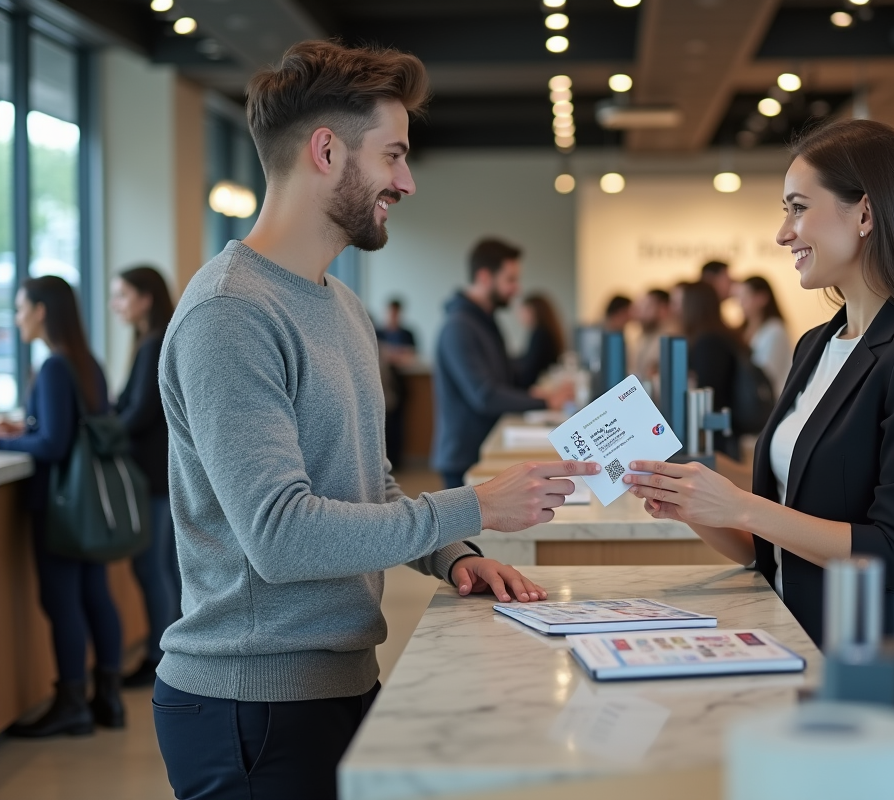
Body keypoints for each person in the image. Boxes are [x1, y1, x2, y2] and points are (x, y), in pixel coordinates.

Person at [151, 41, 597, 800]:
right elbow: (282, 535)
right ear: (326, 150)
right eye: (393, 155)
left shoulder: (341, 305)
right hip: (248, 708)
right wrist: (476, 505)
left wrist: (454, 553)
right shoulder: (230, 313)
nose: (407, 181)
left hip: (339, 683)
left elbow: (369, 483)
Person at [621, 119, 894, 647]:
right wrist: (693, 505)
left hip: (860, 655)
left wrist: (742, 505)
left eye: (798, 208)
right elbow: (768, 547)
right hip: (784, 632)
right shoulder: (816, 345)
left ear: (865, 213)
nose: (783, 233)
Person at [0, 276, 125, 737]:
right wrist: (24, 428)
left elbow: (53, 443)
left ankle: (72, 702)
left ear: (41, 311)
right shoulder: (86, 361)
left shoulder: (53, 367)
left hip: (61, 507)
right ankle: (108, 700)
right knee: (95, 595)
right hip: (89, 506)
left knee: (62, 601)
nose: (16, 319)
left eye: (20, 309)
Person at [434, 238, 574, 490]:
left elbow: (506, 376)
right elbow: (484, 395)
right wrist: (545, 401)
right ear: (485, 277)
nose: (516, 289)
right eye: (510, 279)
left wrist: (540, 393)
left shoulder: (486, 322)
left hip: (484, 448)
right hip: (466, 458)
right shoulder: (459, 327)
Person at [109, 265, 180, 688]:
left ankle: (160, 655)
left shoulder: (154, 344)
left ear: (145, 298)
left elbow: (139, 413)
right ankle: (166, 652)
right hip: (158, 475)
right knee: (163, 568)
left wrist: (99, 427)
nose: (115, 305)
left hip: (153, 476)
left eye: (121, 295)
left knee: (153, 569)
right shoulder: (149, 341)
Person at [680, 281, 743, 460]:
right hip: (722, 427)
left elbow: (708, 387)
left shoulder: (709, 341)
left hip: (716, 432)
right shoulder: (718, 334)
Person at [376, 299, 417, 468]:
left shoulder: (407, 333)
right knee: (382, 425)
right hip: (380, 385)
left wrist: (390, 354)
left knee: (398, 426)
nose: (393, 316)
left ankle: (397, 462)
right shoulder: (378, 332)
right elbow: (378, 354)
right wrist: (397, 354)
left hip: (399, 386)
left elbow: (411, 358)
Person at [739, 275, 792, 397]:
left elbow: (766, 373)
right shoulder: (742, 330)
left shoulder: (775, 331)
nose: (741, 303)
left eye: (746, 297)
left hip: (770, 402)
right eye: (739, 298)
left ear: (762, 298)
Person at [514, 293, 565, 389]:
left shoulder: (540, 334)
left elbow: (531, 368)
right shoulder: (544, 332)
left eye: (524, 312)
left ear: (535, 312)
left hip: (539, 387)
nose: (520, 317)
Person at [632, 288, 673, 380]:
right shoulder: (645, 335)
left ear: (663, 309)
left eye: (647, 307)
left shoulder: (671, 338)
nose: (641, 312)